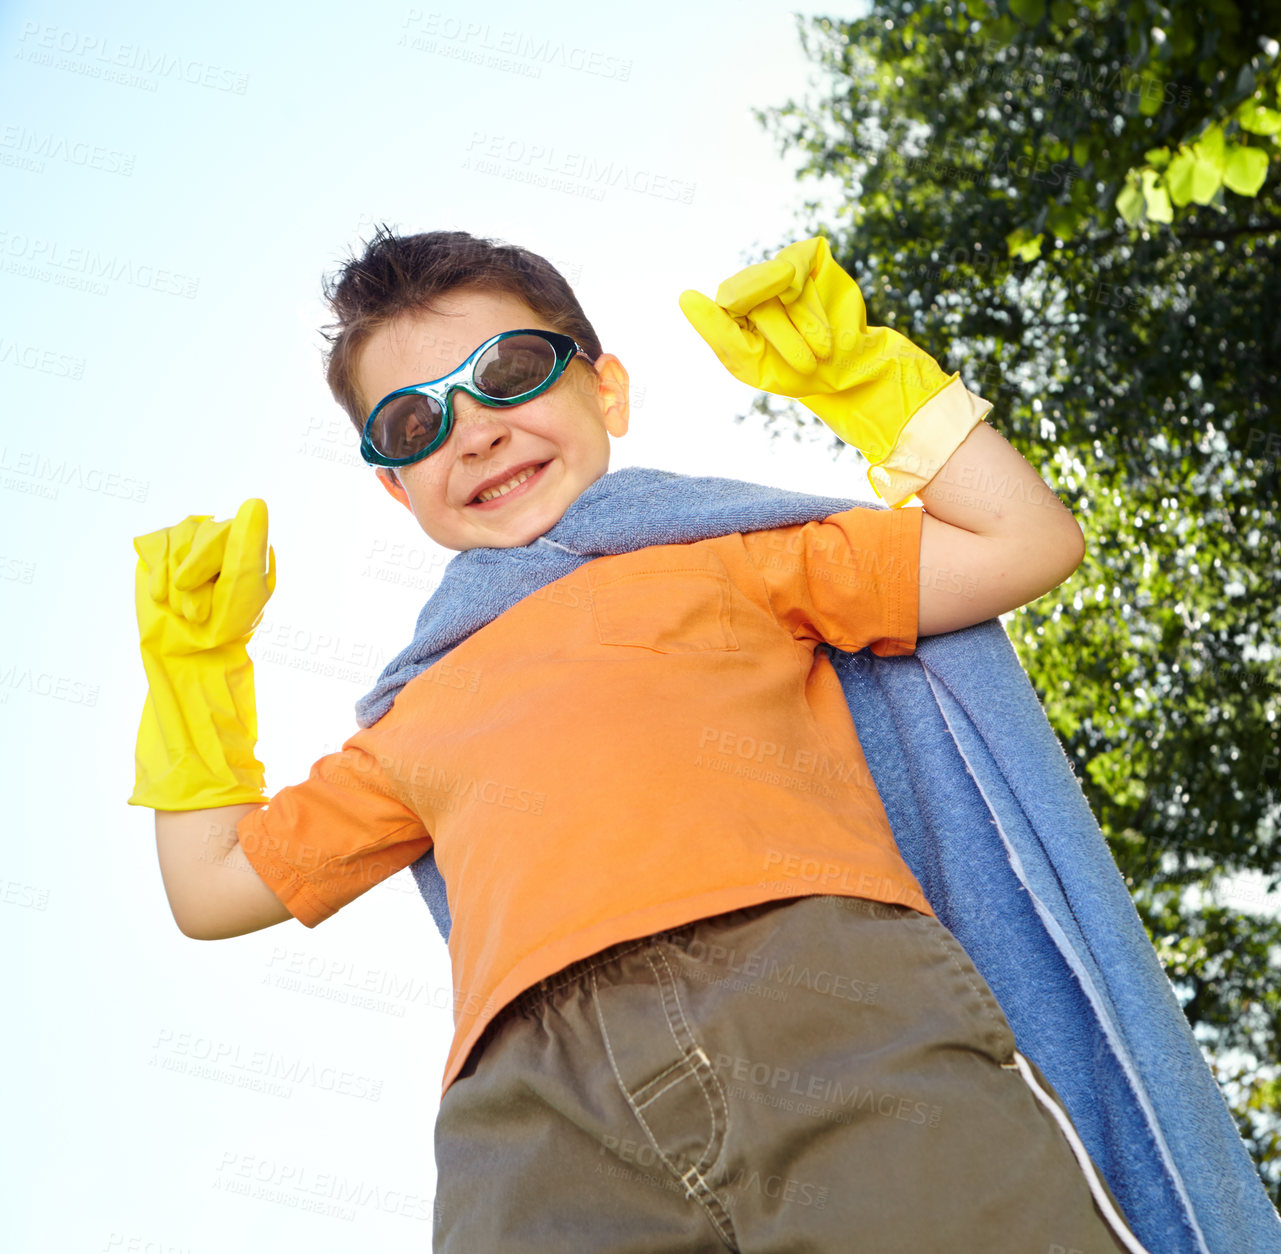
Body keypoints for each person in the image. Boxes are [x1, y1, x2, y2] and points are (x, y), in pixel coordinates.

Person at [128, 226, 1148, 1253]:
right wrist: (193, 672)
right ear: (397, 487)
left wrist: (864, 379)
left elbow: (1027, 542)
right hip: (535, 1110)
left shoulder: (732, 561)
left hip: (822, 1003)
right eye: (412, 423)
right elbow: (213, 890)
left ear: (606, 392)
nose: (472, 432)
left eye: (509, 373)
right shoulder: (413, 720)